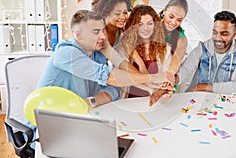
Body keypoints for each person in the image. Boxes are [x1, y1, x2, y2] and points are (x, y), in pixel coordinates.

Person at [37, 10, 175, 108]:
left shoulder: (97, 54)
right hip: (48, 120)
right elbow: (110, 77)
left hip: (79, 116)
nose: (103, 36)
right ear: (78, 35)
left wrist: (89, 102)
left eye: (103, 31)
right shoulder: (65, 53)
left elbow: (113, 89)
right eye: (96, 32)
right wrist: (153, 78)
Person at [176, 10, 236, 95]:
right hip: (196, 98)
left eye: (224, 34)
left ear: (234, 34)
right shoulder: (203, 48)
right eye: (215, 32)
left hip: (221, 102)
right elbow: (186, 69)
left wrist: (201, 87)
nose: (218, 38)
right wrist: (173, 80)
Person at [118, 5, 173, 101]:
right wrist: (151, 89)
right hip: (129, 100)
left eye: (150, 23)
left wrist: (162, 88)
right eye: (140, 24)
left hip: (155, 101)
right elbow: (126, 78)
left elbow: (166, 77)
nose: (145, 28)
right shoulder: (124, 48)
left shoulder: (165, 49)